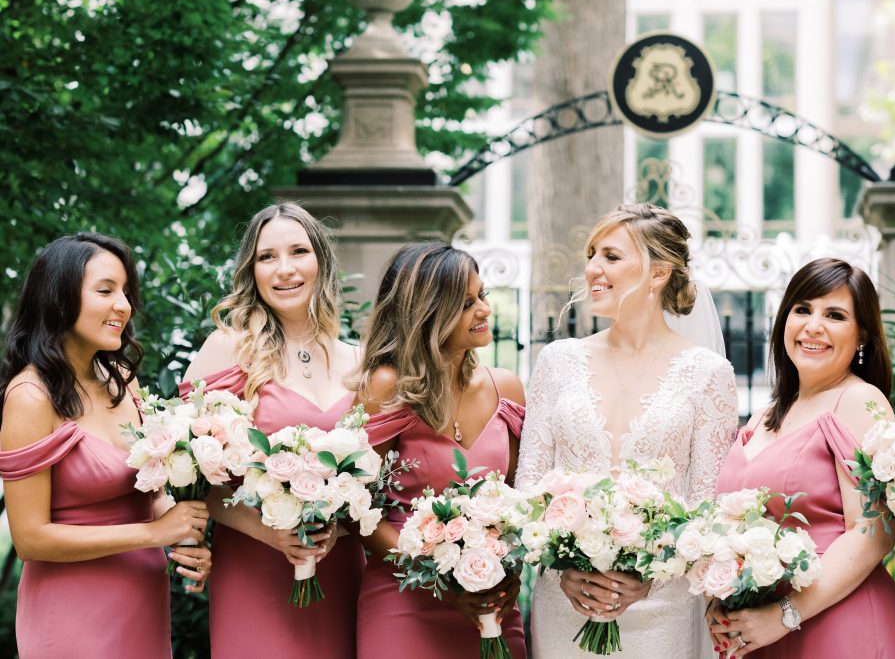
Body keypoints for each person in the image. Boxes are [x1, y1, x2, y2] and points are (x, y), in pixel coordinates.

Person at [516, 203, 737, 659]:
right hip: (566, 602)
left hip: (662, 609)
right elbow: (528, 490)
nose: (592, 268)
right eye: (591, 255)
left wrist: (650, 577)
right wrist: (563, 569)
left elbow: (708, 508)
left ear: (658, 273)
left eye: (611, 257)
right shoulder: (557, 362)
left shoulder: (708, 374)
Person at [0, 233, 211, 658]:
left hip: (142, 602)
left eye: (126, 292)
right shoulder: (30, 397)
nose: (124, 305)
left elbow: (148, 493)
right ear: (60, 299)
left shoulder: (122, 379)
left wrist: (184, 536)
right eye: (106, 290)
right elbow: (29, 539)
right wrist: (152, 533)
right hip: (72, 611)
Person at [708, 258, 895, 659]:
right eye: (803, 309)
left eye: (834, 315)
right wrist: (721, 595)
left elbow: (874, 533)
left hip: (839, 625)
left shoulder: (859, 401)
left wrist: (783, 615)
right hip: (758, 628)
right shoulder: (765, 415)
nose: (813, 326)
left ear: (862, 335)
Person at [183, 203, 362, 658]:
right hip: (253, 565)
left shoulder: (359, 362)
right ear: (252, 270)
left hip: (340, 570)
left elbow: (380, 483)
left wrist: (337, 529)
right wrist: (271, 533)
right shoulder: (227, 350)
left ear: (321, 260)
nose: (284, 269)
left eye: (298, 251)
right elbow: (188, 479)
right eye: (267, 257)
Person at [353, 242, 528, 659]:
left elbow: (521, 503)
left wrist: (508, 572)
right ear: (429, 312)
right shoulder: (386, 388)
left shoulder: (506, 387)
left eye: (482, 295)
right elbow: (356, 508)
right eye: (467, 303)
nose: (485, 309)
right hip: (403, 599)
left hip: (492, 602)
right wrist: (439, 581)